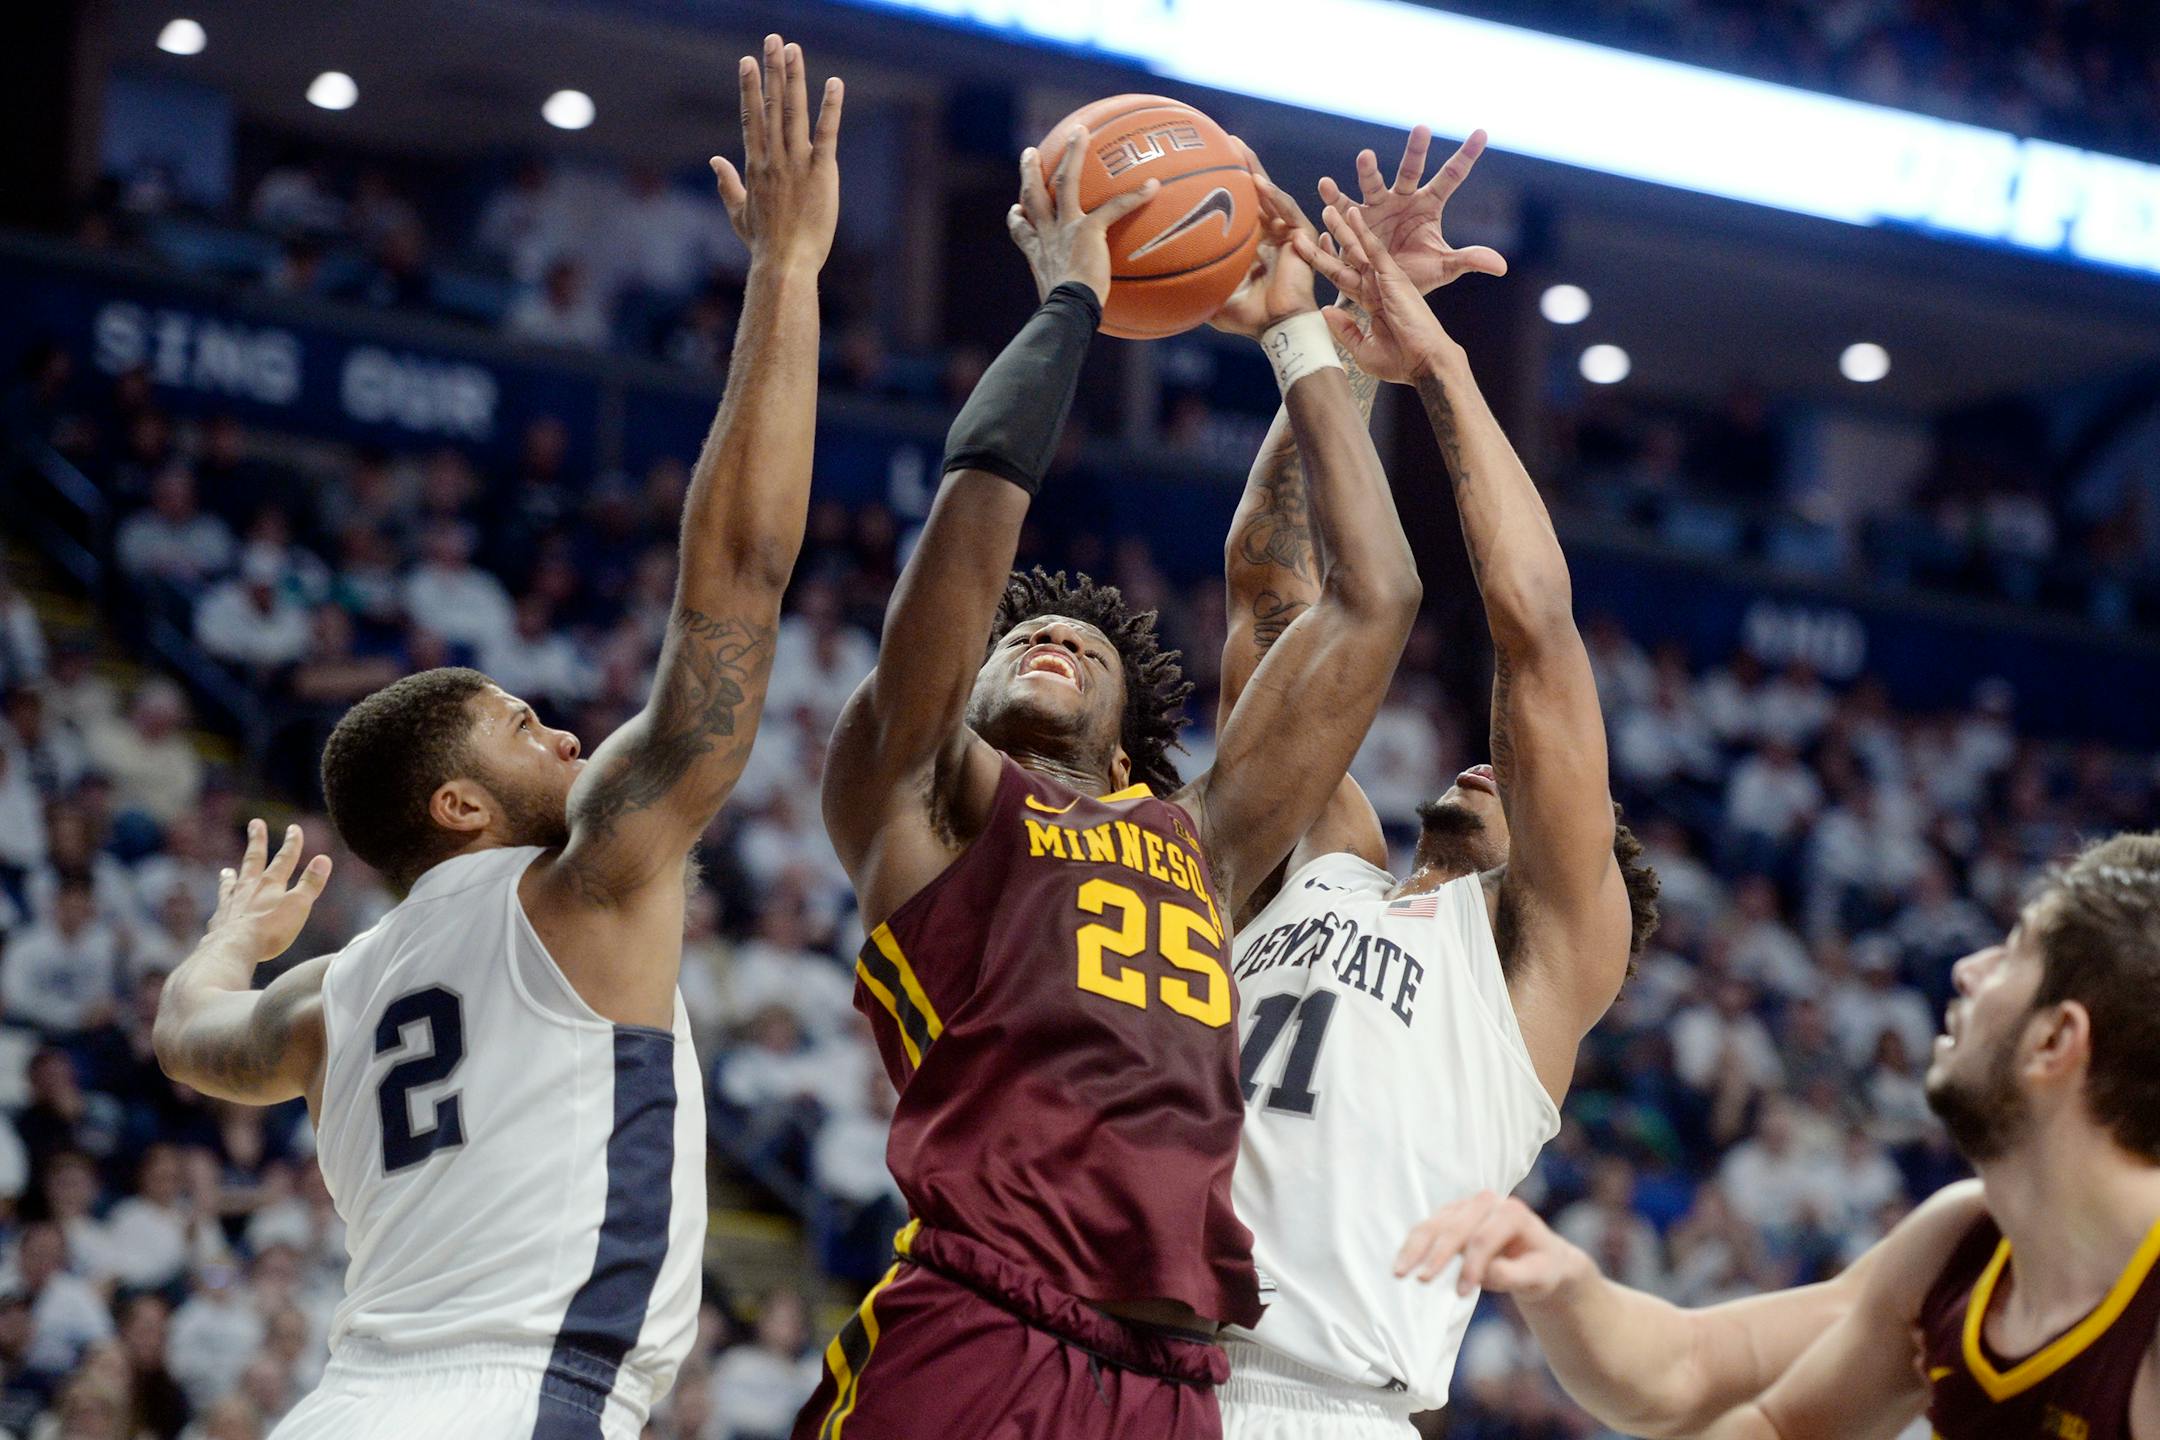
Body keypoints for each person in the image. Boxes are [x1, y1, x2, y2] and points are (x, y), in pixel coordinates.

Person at [148, 37, 843, 1440]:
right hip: (518, 1399)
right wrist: (783, 276)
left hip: (339, 1408)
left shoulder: (329, 1003)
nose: (571, 730)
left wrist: (234, 937)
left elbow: (185, 1034)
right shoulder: (589, 874)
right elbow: (742, 574)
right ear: (461, 806)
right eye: (525, 727)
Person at [793, 135, 1424, 1440]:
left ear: (1137, 755)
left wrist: (1320, 332)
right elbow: (972, 515)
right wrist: (1070, 303)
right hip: (982, 1314)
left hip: (1175, 1379)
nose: (1048, 637)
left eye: (1083, 645)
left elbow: (1378, 600)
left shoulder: (1199, 841)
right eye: (1015, 640)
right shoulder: (914, 798)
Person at [1211, 129, 1659, 1437]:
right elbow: (1268, 587)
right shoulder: (1324, 862)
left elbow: (1534, 627)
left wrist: (1444, 364)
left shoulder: (1533, 959)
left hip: (1330, 1404)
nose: (1490, 755)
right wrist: (1341, 343)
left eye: (1526, 780)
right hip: (1138, 1378)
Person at [1397, 832, 2160, 1440]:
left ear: (2057, 1040)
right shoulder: (1961, 1242)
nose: (1967, 968)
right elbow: (1705, 1382)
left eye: (2014, 951)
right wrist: (1564, 1283)